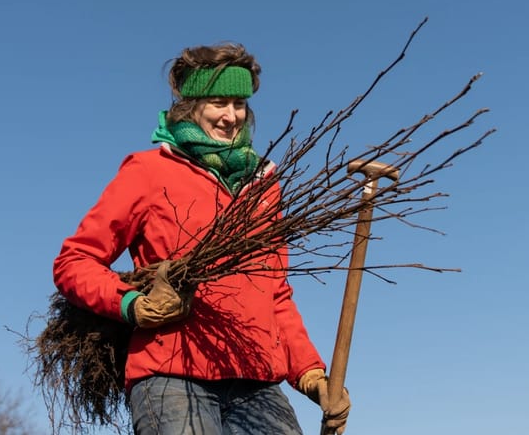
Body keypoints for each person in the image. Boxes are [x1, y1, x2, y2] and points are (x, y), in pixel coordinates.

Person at [53, 43, 350, 434]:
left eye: (239, 103)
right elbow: (74, 261)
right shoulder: (148, 171)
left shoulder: (262, 185)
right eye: (218, 102)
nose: (231, 116)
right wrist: (132, 304)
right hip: (173, 373)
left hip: (256, 378)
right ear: (191, 106)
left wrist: (309, 371)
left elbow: (274, 291)